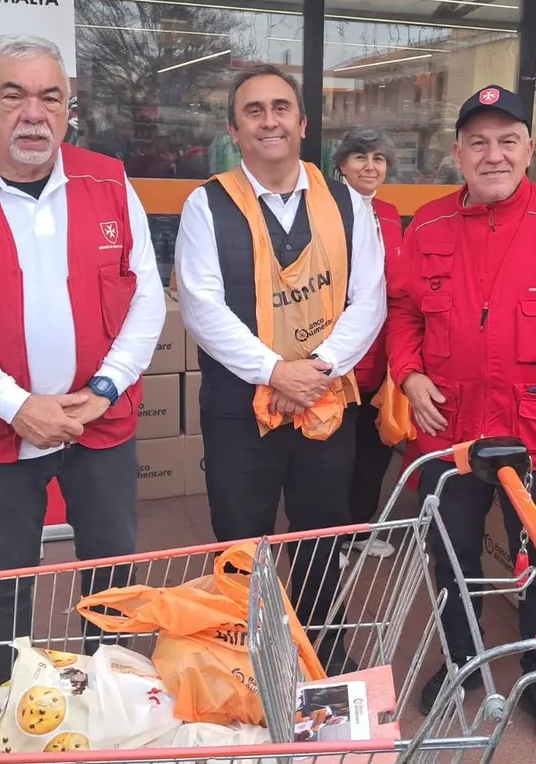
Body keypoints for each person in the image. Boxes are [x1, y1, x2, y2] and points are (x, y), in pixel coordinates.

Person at [0, 33, 168, 687]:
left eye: (51, 97)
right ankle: (6, 696)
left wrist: (106, 386)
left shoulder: (107, 179)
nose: (33, 113)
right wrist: (17, 405)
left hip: (97, 419)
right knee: (3, 573)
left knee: (111, 570)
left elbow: (148, 297)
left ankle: (110, 691)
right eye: (14, 94)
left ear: (68, 107)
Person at [386, 85, 536, 753]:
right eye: (478, 142)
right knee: (450, 557)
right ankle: (462, 660)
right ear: (457, 153)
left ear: (529, 151)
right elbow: (403, 312)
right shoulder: (425, 224)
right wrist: (409, 373)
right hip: (448, 429)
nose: (493, 154)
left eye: (507, 140)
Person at [174, 64, 386, 677]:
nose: (270, 121)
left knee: (321, 531)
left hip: (325, 400)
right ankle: (243, 647)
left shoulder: (348, 201)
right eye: (254, 111)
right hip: (239, 408)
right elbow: (201, 305)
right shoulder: (205, 204)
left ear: (302, 122)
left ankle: (321, 641)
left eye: (281, 108)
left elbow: (367, 298)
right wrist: (274, 370)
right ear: (234, 129)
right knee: (241, 534)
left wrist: (317, 369)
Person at [332, 128, 404, 560]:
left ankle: (359, 529)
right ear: (341, 164)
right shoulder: (325, 210)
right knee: (334, 455)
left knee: (374, 449)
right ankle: (330, 536)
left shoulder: (392, 213)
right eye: (360, 157)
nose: (370, 166)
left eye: (379, 158)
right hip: (340, 351)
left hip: (385, 351)